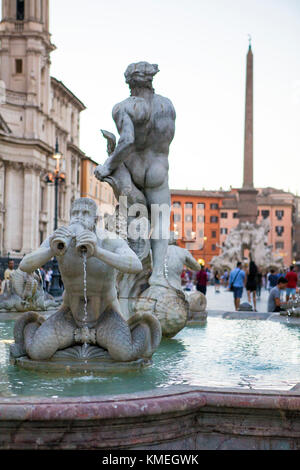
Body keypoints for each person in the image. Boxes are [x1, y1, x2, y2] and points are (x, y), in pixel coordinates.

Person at [94, 62, 176, 288]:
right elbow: (166, 140)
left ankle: (127, 274)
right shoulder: (167, 106)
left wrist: (108, 165)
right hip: (159, 169)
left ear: (129, 82)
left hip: (134, 170)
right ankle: (158, 274)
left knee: (129, 221)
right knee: (160, 222)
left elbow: (127, 141)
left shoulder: (124, 107)